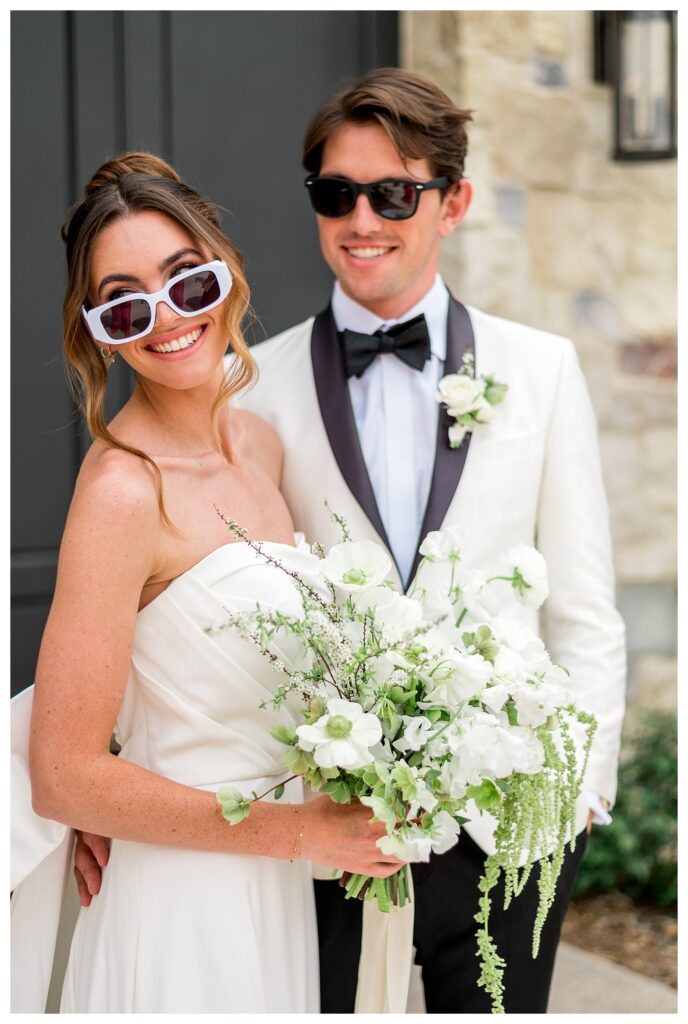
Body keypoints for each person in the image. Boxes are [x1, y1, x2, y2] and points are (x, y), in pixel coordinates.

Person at [73, 69, 627, 1012]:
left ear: (451, 203)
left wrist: (577, 795)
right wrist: (113, 777)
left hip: (514, 816)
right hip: (329, 819)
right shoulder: (250, 391)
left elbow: (585, 608)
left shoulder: (544, 371)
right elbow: (190, 586)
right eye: (337, 194)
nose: (362, 218)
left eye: (393, 193)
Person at [13, 152, 403, 1013]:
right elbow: (64, 775)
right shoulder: (123, 490)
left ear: (225, 272)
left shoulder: (260, 447)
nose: (164, 317)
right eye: (123, 303)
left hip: (276, 893)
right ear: (97, 331)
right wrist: (302, 832)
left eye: (186, 281)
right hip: (184, 905)